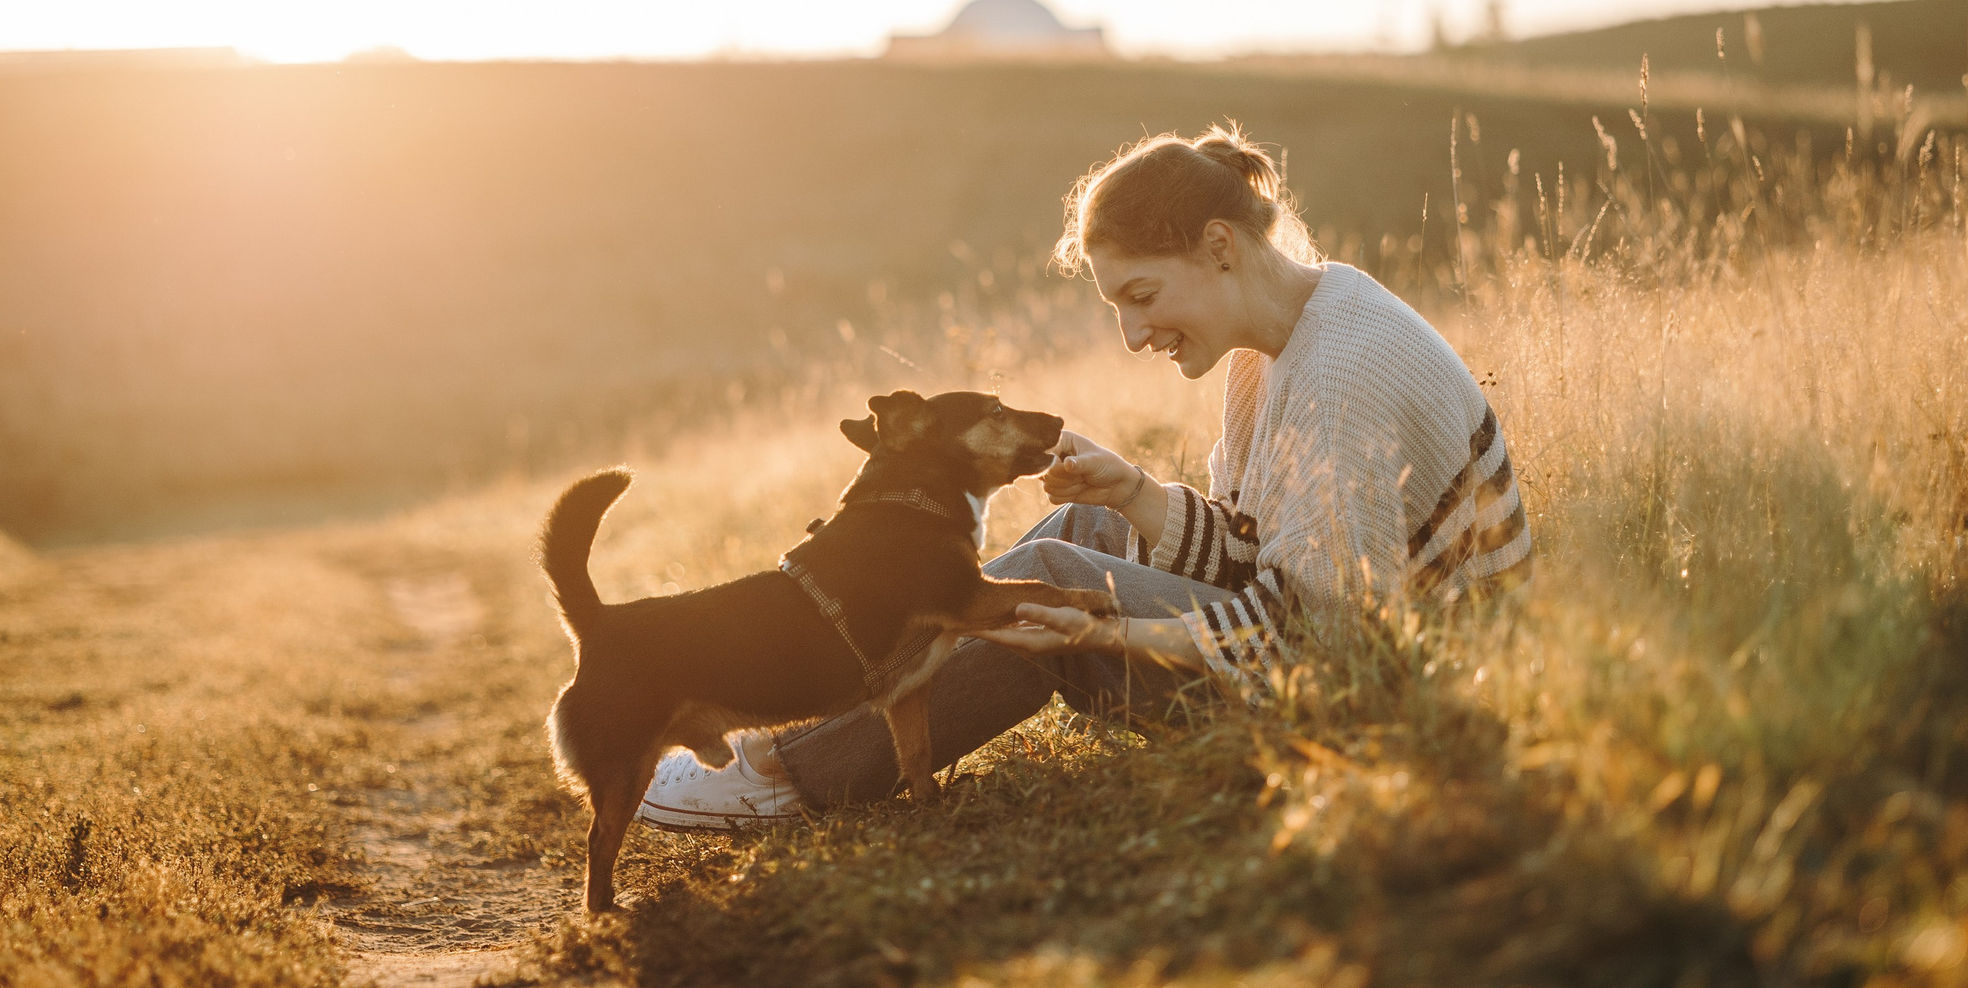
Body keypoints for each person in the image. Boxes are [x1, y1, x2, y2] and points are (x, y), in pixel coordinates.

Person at [636, 125, 1530, 829]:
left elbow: (1318, 636)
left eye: (1142, 297)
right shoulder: (1284, 343)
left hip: (1392, 698)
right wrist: (1135, 496)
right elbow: (1263, 553)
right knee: (1080, 537)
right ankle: (800, 742)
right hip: (1333, 646)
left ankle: (788, 778)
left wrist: (1102, 633)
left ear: (1219, 246)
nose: (1134, 338)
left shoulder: (1347, 370)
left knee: (1058, 577)